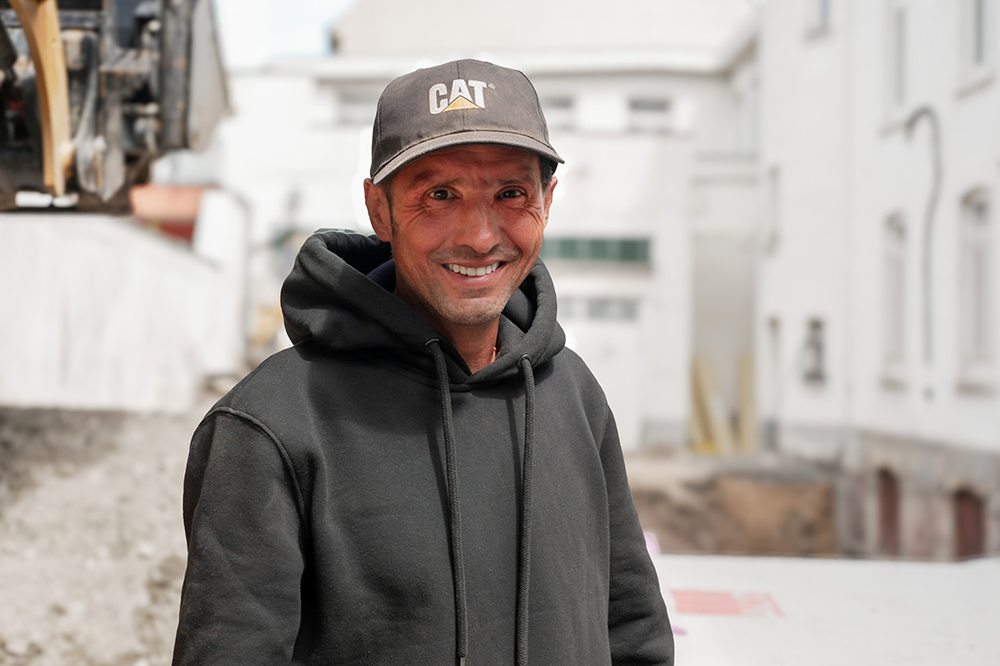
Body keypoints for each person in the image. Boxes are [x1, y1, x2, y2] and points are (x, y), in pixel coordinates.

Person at [172, 58, 673, 666]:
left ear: (547, 201)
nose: (480, 237)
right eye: (439, 195)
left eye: (511, 194)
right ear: (379, 210)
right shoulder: (270, 425)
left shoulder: (573, 393)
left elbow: (633, 632)